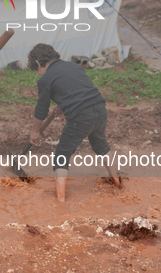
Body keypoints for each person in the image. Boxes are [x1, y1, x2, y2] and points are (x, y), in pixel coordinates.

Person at [27, 44, 121, 202]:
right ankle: (117, 183)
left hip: (81, 117)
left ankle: (60, 202)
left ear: (37, 63)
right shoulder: (74, 66)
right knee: (100, 144)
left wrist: (35, 131)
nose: (38, 73)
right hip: (100, 109)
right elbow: (78, 90)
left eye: (36, 70)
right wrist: (64, 106)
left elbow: (41, 110)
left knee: (61, 155)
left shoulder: (45, 80)